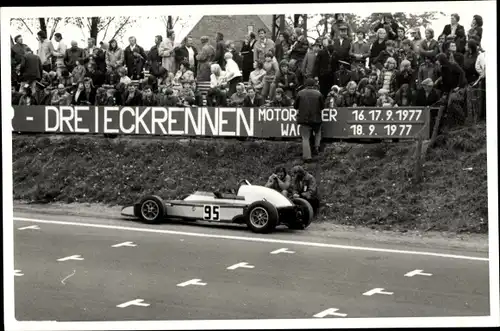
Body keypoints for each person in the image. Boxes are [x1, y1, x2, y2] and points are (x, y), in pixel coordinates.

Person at [293, 78, 325, 162]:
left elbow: (295, 106)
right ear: (314, 85)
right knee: (318, 132)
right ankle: (317, 147)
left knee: (305, 138)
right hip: (316, 119)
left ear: (305, 84)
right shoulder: (318, 93)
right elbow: (322, 107)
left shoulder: (300, 93)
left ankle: (307, 157)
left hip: (304, 120)